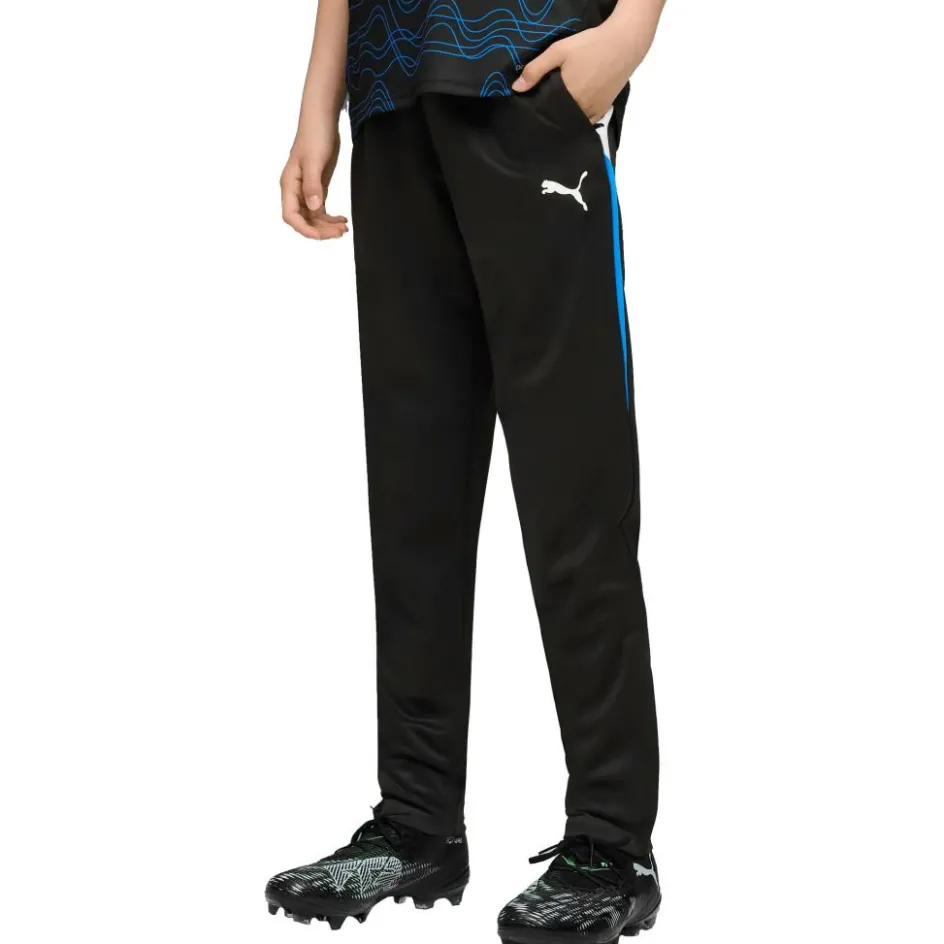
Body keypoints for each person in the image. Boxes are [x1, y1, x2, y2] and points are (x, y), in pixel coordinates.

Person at [266, 0, 667, 940]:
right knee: (415, 486)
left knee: (573, 484)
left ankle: (612, 840)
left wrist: (631, 31)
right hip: (391, 89)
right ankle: (416, 821)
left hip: (530, 71)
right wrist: (320, 100)